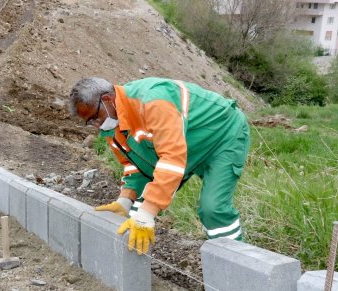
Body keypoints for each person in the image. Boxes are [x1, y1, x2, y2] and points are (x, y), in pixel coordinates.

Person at [69, 77, 250, 255]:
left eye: (94, 118)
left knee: (213, 208)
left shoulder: (153, 100)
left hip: (221, 136)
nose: (96, 126)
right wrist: (126, 200)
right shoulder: (111, 126)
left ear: (107, 100)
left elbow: (172, 157)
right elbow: (135, 165)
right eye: (89, 123)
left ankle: (235, 265)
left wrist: (149, 211)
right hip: (186, 144)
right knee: (136, 212)